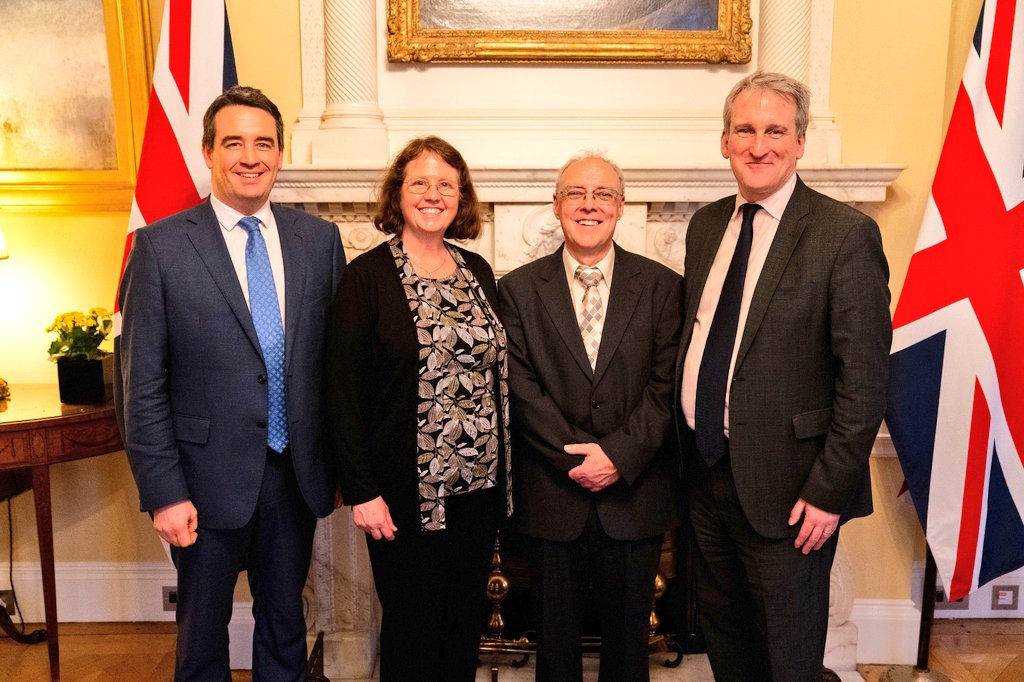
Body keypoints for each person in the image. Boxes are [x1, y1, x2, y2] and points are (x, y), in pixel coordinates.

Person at [117, 85, 346, 681]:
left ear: (280, 154)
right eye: (235, 142)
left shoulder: (318, 242)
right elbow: (140, 384)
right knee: (201, 643)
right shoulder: (161, 247)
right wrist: (163, 491)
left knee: (285, 631)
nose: (251, 156)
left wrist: (339, 467)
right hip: (201, 480)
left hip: (293, 477)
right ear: (208, 152)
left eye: (264, 143)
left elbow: (333, 368)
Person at [675, 71, 891, 680]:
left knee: (789, 661)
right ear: (724, 142)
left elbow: (865, 378)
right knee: (728, 649)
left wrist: (828, 491)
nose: (759, 144)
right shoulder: (706, 226)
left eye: (776, 130)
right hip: (707, 479)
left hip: (794, 494)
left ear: (800, 143)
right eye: (745, 130)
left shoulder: (844, 234)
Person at [325, 136, 511, 681]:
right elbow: (341, 391)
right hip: (404, 496)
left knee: (461, 627)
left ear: (462, 197)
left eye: (446, 185)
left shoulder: (477, 270)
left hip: (478, 490)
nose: (433, 194)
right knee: (412, 628)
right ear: (398, 194)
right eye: (420, 183)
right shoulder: (367, 278)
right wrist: (362, 491)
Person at [497, 152, 683, 682]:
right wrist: (576, 457)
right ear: (556, 205)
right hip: (552, 496)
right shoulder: (517, 289)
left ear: (620, 207)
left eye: (603, 194)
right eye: (576, 193)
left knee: (629, 650)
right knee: (555, 648)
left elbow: (666, 385)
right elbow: (518, 384)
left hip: (634, 493)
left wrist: (617, 457)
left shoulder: (662, 286)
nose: (589, 205)